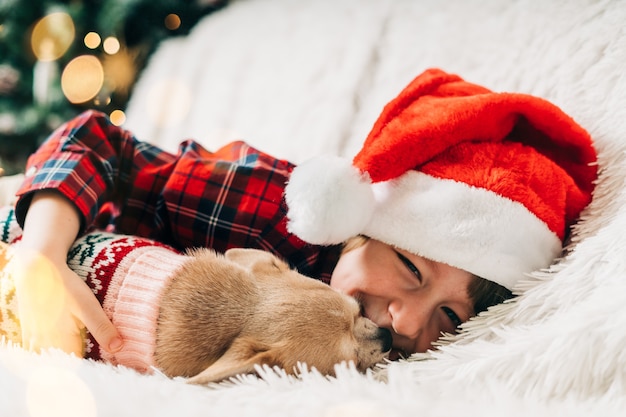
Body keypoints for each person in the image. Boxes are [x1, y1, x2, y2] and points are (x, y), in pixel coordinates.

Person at [10, 68, 597, 362]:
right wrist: (41, 251)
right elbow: (99, 142)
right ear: (364, 227)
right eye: (412, 271)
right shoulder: (273, 208)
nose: (408, 325)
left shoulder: (393, 354)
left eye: (450, 313)